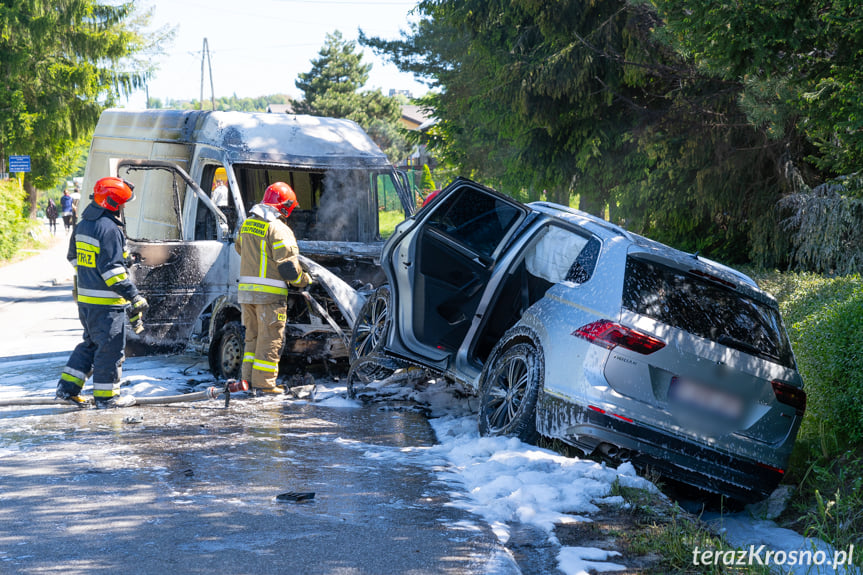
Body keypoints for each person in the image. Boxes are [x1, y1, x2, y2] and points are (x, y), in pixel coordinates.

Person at [55, 177, 149, 409]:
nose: (124, 208)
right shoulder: (109, 229)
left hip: (87, 302)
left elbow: (75, 257)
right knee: (110, 350)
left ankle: (67, 389)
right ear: (112, 203)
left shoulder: (84, 224)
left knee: (91, 345)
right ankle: (107, 399)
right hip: (107, 305)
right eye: (122, 204)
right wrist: (134, 295)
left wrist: (114, 263)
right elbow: (112, 273)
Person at [234, 182, 311, 395]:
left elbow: (240, 248)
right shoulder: (278, 229)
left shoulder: (247, 224)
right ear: (284, 206)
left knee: (253, 339)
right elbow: (288, 268)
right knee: (269, 341)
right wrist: (305, 280)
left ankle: (247, 381)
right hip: (269, 296)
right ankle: (265, 385)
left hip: (247, 294)